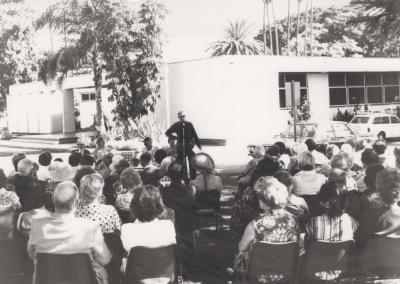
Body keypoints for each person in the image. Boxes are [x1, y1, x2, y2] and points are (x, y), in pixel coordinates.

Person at [27, 181, 112, 284]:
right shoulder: (90, 227)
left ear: (53, 200)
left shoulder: (37, 225)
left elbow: (32, 254)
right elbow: (104, 259)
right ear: (76, 203)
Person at [233, 177, 299, 279]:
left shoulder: (255, 225)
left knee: (240, 253)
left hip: (258, 276)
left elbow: (241, 248)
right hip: (283, 275)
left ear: (263, 200)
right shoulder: (293, 221)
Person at [120, 184, 176, 252]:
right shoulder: (168, 226)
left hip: (137, 262)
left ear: (133, 206)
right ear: (159, 205)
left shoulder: (126, 230)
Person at [162, 162, 196, 237]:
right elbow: (163, 192)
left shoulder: (183, 179)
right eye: (175, 168)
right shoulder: (167, 179)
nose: (177, 170)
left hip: (179, 210)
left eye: (178, 168)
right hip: (176, 209)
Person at [165, 111, 202, 180]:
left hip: (188, 146)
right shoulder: (176, 125)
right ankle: (182, 179)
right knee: (180, 163)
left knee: (192, 161)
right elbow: (167, 133)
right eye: (181, 116)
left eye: (183, 116)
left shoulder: (189, 124)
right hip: (180, 147)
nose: (182, 118)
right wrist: (175, 137)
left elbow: (195, 135)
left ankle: (193, 179)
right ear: (179, 117)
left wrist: (199, 146)